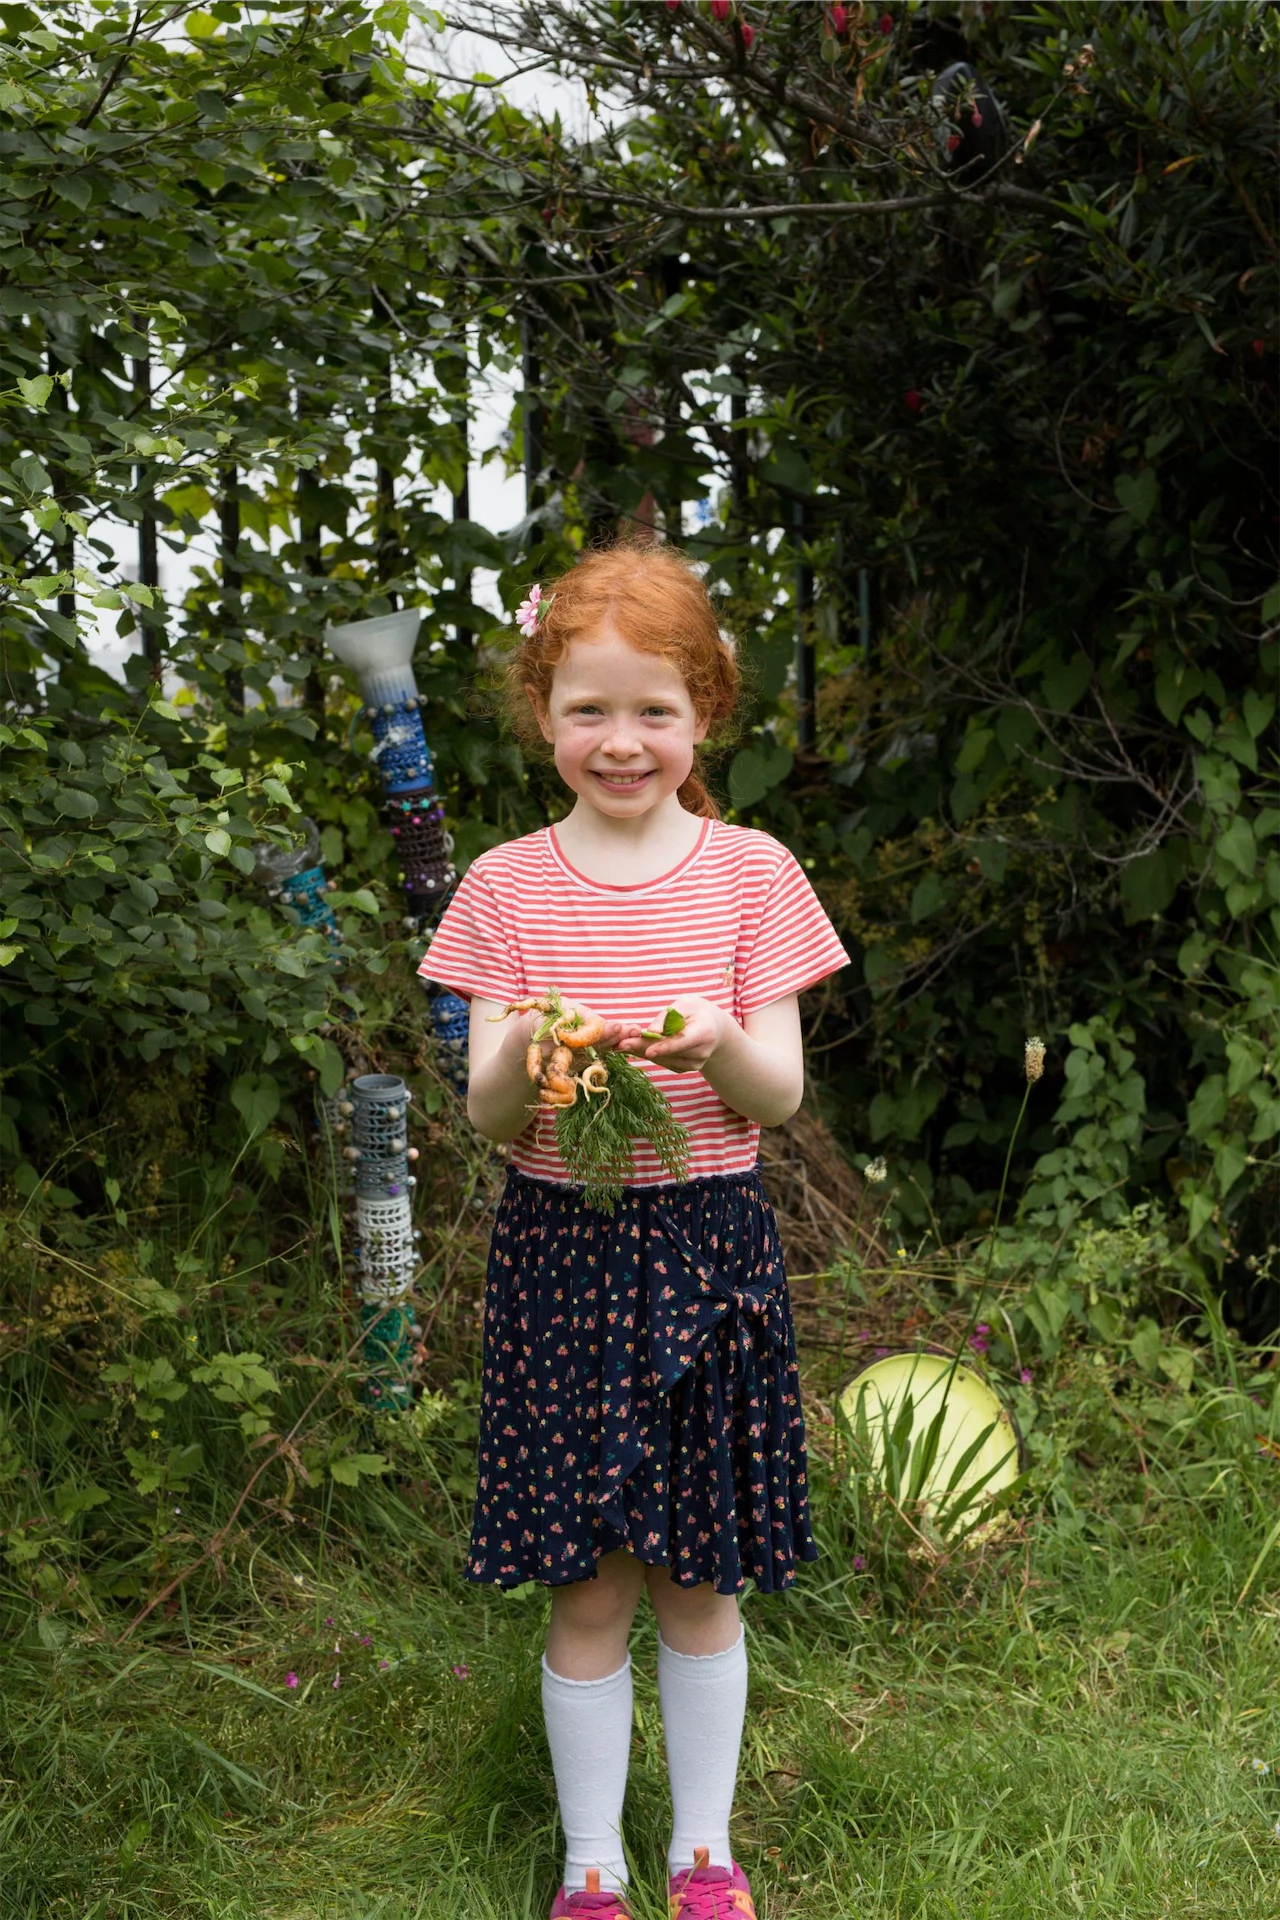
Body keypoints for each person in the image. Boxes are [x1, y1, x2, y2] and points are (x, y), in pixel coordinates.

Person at [418, 543, 848, 1920]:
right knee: (589, 1588)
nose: (621, 741)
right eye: (588, 709)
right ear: (542, 713)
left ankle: (704, 1854)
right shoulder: (506, 887)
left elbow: (777, 1098)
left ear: (704, 712)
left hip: (709, 1249)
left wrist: (717, 1038)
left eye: (654, 709)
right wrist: (525, 1049)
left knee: (698, 1581)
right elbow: (491, 1117)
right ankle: (591, 1862)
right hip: (563, 1252)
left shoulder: (752, 874)